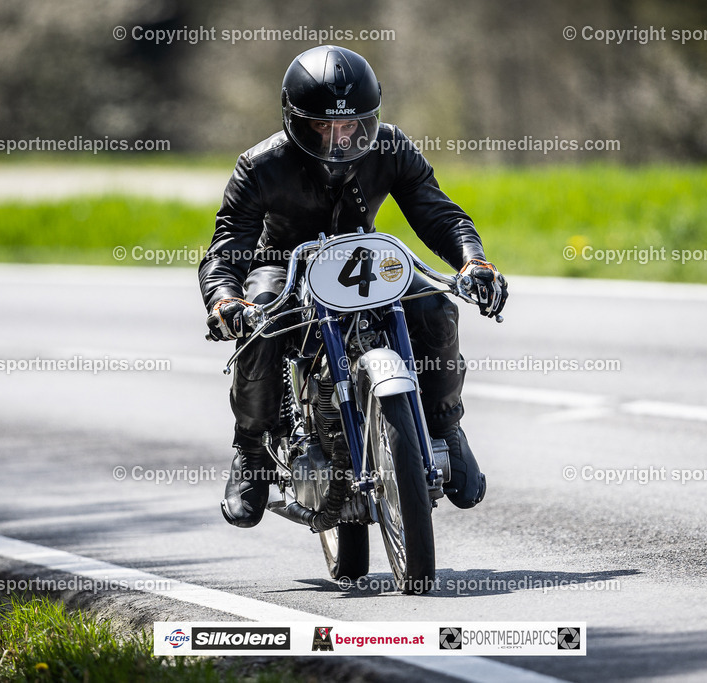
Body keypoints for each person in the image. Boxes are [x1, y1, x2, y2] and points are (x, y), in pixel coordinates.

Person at [200, 45, 508, 528]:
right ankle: (251, 450)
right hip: (285, 269)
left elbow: (437, 212)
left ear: (370, 118)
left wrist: (474, 263)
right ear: (294, 120)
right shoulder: (259, 165)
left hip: (365, 260)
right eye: (322, 126)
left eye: (350, 126)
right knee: (259, 310)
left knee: (435, 302)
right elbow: (226, 247)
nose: (338, 140)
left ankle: (448, 427)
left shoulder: (392, 147)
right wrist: (225, 300)